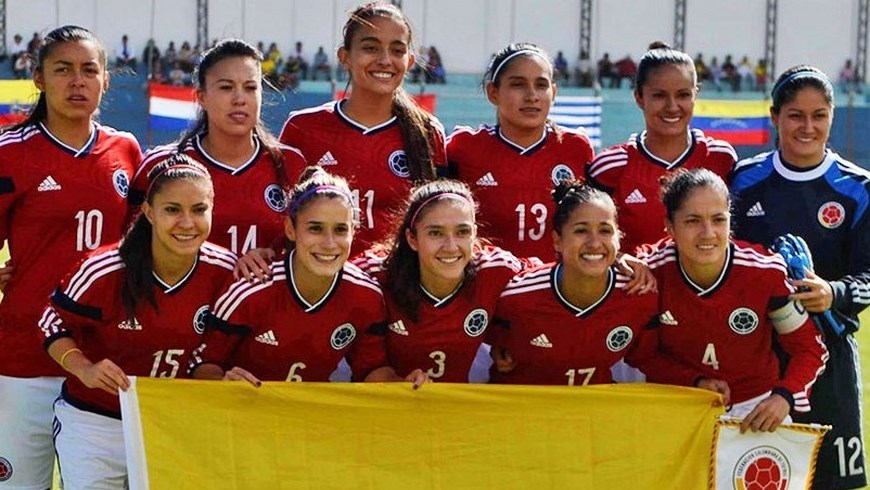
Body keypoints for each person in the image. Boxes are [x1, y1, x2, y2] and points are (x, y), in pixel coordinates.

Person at [39, 155, 236, 489]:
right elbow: (50, 321)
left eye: (199, 209)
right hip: (96, 422)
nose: (187, 222)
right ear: (148, 212)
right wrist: (84, 368)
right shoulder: (105, 270)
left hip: (176, 422)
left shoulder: (226, 271)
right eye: (172, 210)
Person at [0, 25, 142, 490]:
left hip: (104, 362)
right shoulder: (10, 153)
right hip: (25, 359)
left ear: (105, 81)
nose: (77, 81)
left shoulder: (126, 150)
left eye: (89, 70)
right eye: (63, 70)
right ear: (39, 78)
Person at [730, 65, 869, 489]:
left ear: (831, 116)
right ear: (775, 117)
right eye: (795, 115)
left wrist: (835, 292)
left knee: (830, 480)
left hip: (829, 356)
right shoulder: (744, 181)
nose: (807, 127)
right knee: (753, 475)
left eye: (818, 115)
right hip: (758, 355)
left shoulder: (857, 187)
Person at [632, 169, 827, 433]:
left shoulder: (766, 272)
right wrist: (695, 381)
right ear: (670, 227)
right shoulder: (651, 273)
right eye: (692, 221)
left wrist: (784, 397)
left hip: (756, 409)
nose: (708, 233)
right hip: (679, 402)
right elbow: (643, 354)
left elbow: (808, 349)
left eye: (718, 219)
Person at [190, 168, 425, 386]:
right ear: (290, 229)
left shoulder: (367, 296)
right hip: (242, 420)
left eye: (340, 230)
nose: (329, 243)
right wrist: (223, 381)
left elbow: (371, 369)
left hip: (307, 423)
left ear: (354, 231)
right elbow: (202, 365)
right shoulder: (252, 290)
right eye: (315, 228)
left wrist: (405, 384)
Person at [280, 2, 447, 254]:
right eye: (370, 48)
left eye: (397, 50)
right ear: (345, 57)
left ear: (410, 60)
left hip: (398, 288)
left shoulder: (427, 132)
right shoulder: (303, 128)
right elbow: (279, 217)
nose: (385, 60)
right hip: (322, 284)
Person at [131, 39, 306, 256]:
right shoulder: (161, 165)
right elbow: (133, 251)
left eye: (250, 88)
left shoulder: (291, 164)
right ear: (201, 97)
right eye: (226, 87)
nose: (240, 99)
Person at [353, 179, 528, 383]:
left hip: (462, 404)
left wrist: (511, 340)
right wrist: (399, 384)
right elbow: (367, 366)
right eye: (436, 233)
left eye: (462, 232)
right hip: (387, 405)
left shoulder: (497, 269)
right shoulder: (374, 274)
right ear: (412, 239)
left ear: (475, 233)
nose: (451, 246)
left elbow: (550, 282)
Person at [488, 181, 659, 385]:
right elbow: (486, 337)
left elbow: (649, 358)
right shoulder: (516, 295)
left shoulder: (638, 293)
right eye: (581, 231)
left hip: (593, 411)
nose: (595, 243)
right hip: (522, 410)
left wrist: (697, 381)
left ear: (619, 238)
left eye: (605, 231)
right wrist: (496, 348)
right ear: (557, 241)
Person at [447, 42, 594, 260]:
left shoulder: (576, 148)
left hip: (555, 287)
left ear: (553, 92)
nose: (532, 95)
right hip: (484, 286)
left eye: (541, 85)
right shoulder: (463, 148)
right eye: (518, 84)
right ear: (493, 93)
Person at [586, 41, 736, 254]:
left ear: (696, 95)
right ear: (638, 97)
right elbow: (588, 239)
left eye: (683, 95)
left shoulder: (720, 158)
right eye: (659, 96)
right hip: (634, 287)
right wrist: (620, 260)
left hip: (704, 287)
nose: (672, 106)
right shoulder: (611, 167)